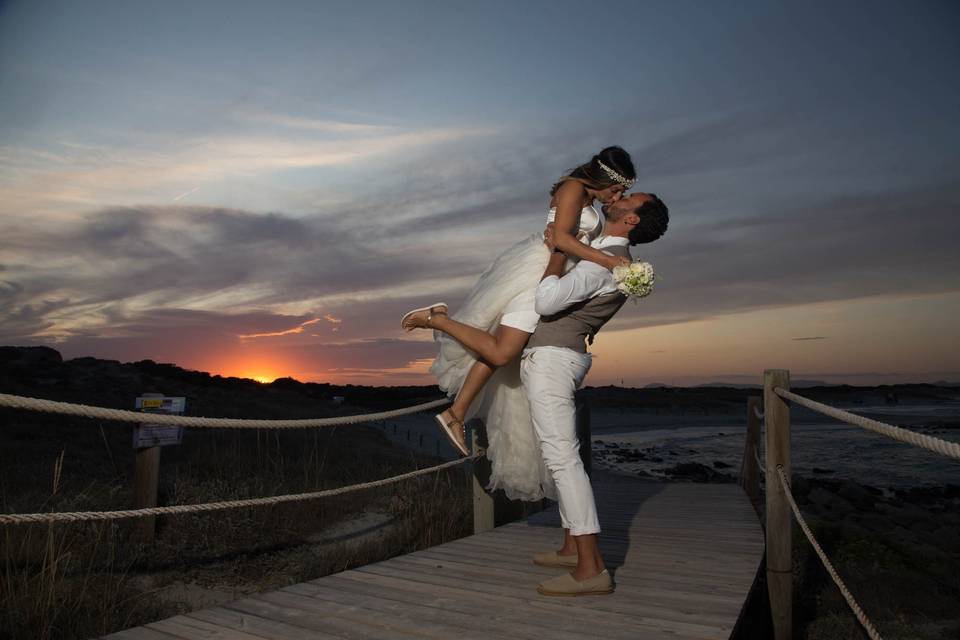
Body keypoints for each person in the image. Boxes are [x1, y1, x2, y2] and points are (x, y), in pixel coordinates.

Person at [401, 147, 635, 501]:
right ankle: (439, 320)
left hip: (552, 272)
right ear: (603, 178)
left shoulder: (584, 197)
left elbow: (568, 238)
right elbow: (562, 239)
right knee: (503, 350)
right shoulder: (572, 188)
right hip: (537, 273)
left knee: (502, 351)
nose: (616, 197)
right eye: (615, 189)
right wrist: (608, 260)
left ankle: (456, 412)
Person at [525, 192, 669, 596]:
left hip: (553, 360)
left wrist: (556, 251)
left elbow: (545, 300)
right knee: (561, 455)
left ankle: (591, 569)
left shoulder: (607, 263)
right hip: (559, 357)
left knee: (562, 458)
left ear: (633, 220)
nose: (620, 197)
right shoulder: (606, 256)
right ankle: (572, 547)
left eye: (630, 199)